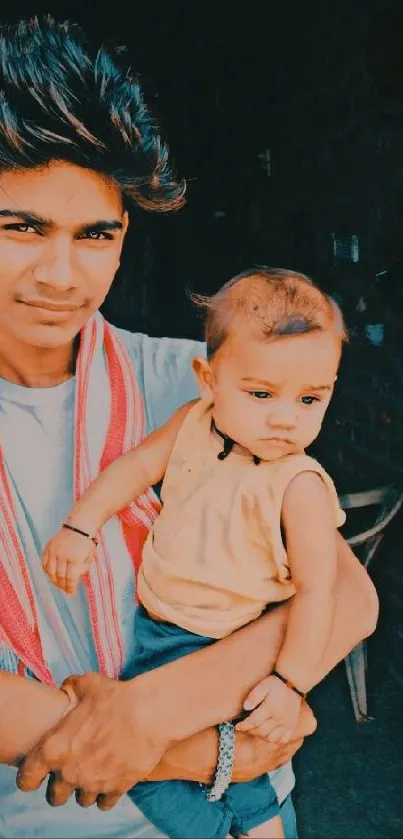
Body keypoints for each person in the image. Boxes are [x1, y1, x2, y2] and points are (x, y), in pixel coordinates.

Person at [0, 16, 378, 839]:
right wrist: (191, 748)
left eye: (96, 235)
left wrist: (151, 710)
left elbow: (344, 594)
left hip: (237, 812)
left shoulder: (194, 386)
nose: (62, 275)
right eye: (20, 227)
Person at [42, 268, 347, 839]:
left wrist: (291, 682)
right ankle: (248, 823)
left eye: (311, 398)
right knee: (203, 759)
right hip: (159, 632)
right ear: (208, 379)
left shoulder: (298, 484)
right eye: (261, 394)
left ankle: (236, 830)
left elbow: (318, 590)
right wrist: (80, 527)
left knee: (148, 771)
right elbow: (134, 469)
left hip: (229, 646)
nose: (286, 418)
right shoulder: (194, 425)